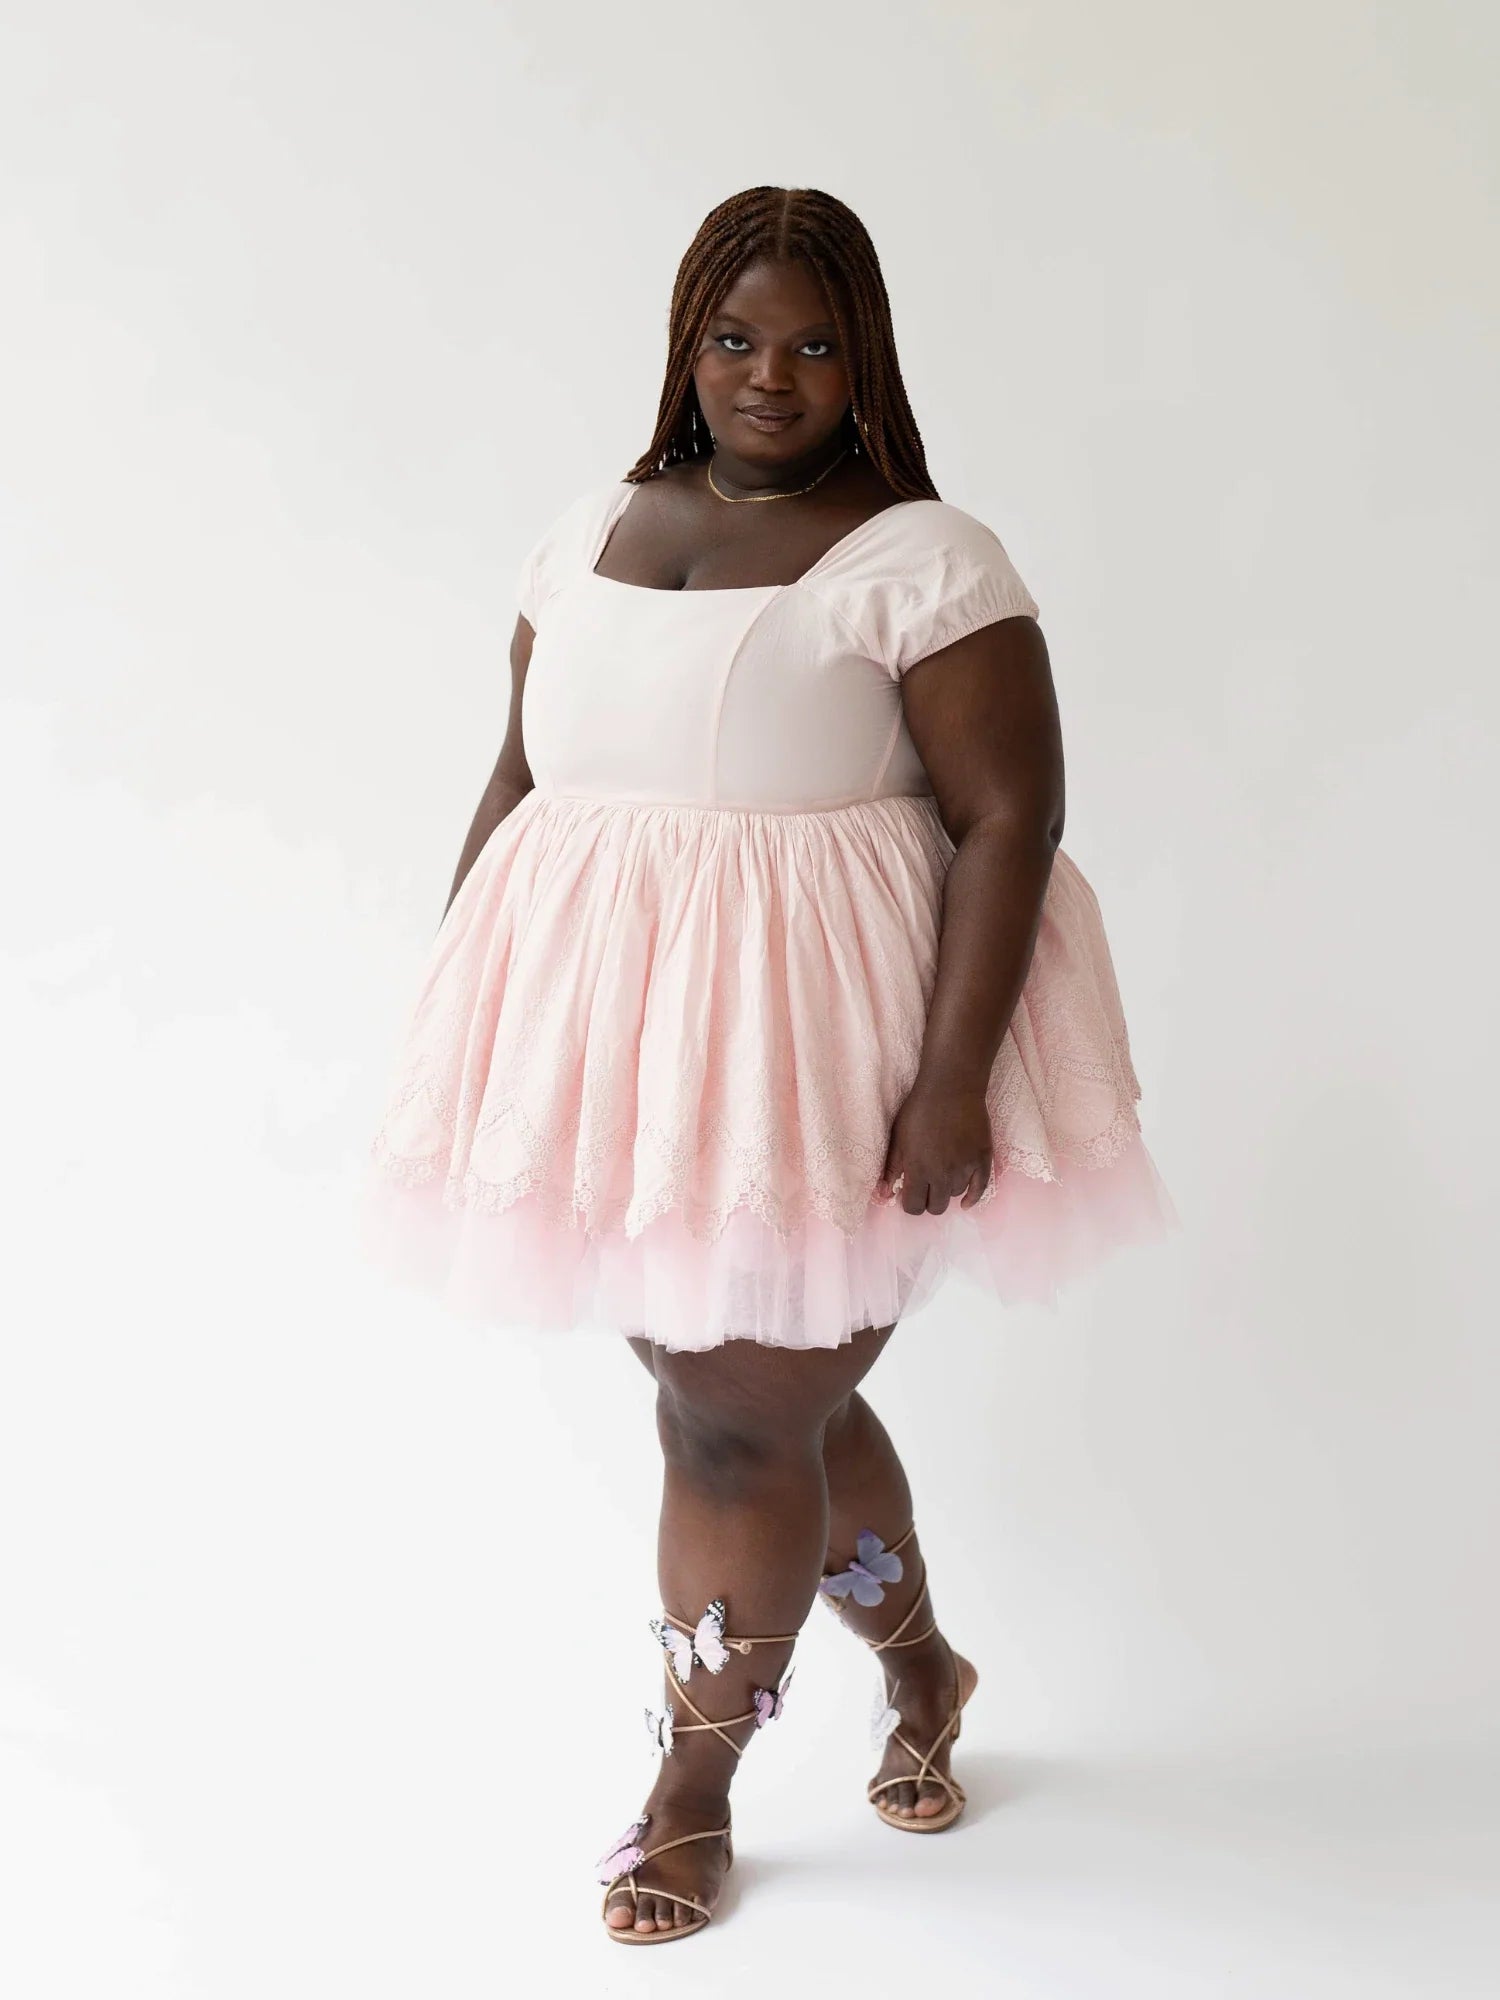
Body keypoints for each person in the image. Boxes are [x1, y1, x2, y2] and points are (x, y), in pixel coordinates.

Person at [358, 184, 1176, 1944]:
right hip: (617, 1058)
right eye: (737, 340)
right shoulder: (585, 530)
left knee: (734, 1420)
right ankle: (926, 1670)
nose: (771, 377)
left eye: (813, 344)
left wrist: (952, 1080)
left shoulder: (923, 555)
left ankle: (689, 1791)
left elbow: (1013, 811)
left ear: (863, 353)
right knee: (759, 1401)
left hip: (813, 1050)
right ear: (686, 345)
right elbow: (520, 786)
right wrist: (462, 1008)